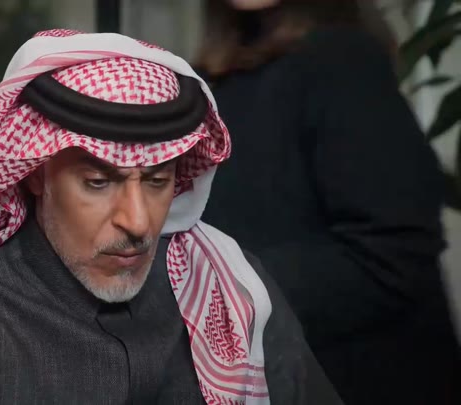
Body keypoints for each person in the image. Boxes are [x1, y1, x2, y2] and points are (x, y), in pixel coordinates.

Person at [0, 29, 342, 404]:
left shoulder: (229, 287)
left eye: (157, 181)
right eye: (98, 182)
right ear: (35, 175)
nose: (137, 223)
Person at [196, 1, 461, 404]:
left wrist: (220, 291)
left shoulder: (341, 60)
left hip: (361, 379)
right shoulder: (214, 80)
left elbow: (392, 255)